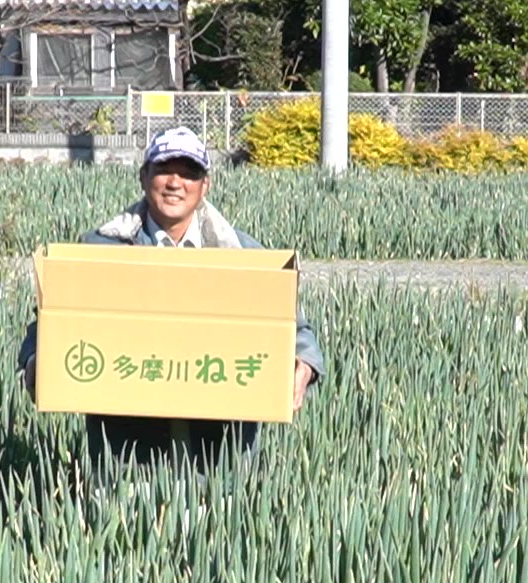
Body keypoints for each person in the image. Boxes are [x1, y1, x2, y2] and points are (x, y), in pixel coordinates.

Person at [18, 125, 327, 464]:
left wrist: (306, 364)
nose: (175, 182)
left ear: (204, 185)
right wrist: (35, 359)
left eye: (189, 173)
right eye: (164, 169)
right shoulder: (101, 250)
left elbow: (295, 330)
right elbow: (50, 322)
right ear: (143, 176)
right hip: (127, 454)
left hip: (219, 457)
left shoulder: (243, 254)